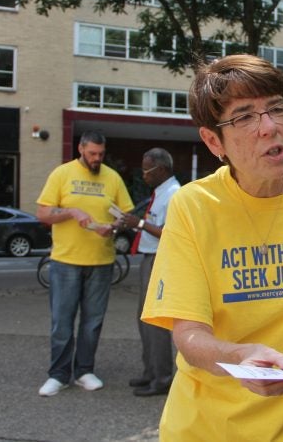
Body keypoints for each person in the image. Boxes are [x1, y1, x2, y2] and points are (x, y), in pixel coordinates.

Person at [140, 54, 283, 441]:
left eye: (276, 109)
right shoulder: (193, 206)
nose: (269, 127)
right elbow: (188, 335)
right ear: (213, 140)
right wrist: (238, 358)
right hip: (207, 429)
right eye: (245, 117)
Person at [35, 130, 134, 397]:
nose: (96, 159)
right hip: (65, 261)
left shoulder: (112, 177)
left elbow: (127, 213)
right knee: (62, 322)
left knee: (92, 322)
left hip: (101, 261)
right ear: (81, 148)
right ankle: (58, 375)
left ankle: (84, 371)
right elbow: (42, 212)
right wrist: (70, 211)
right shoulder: (62, 174)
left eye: (100, 154)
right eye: (92, 153)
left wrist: (114, 226)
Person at [120, 148, 180, 397]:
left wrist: (140, 224)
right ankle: (151, 372)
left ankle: (162, 378)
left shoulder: (174, 194)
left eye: (147, 170)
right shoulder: (160, 193)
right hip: (149, 257)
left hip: (160, 260)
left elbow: (171, 233)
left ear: (162, 170)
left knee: (155, 322)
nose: (143, 174)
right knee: (144, 319)